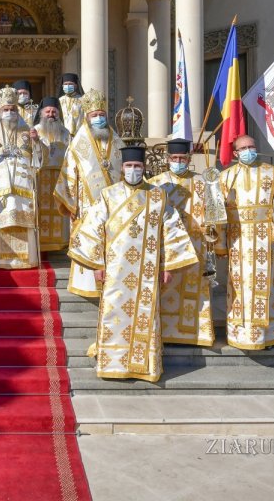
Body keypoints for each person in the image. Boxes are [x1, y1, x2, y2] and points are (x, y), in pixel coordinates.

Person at [69, 146, 198, 382]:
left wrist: (168, 265)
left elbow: (170, 232)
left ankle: (144, 365)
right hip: (115, 270)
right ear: (122, 168)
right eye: (129, 166)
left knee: (146, 316)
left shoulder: (158, 196)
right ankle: (112, 364)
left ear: (144, 168)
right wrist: (98, 265)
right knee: (113, 314)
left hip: (147, 270)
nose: (133, 170)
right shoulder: (108, 195)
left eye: (137, 166)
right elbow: (93, 230)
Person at [213, 134, 274, 350]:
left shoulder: (273, 173)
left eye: (252, 146)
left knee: (264, 285)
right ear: (235, 153)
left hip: (263, 239)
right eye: (243, 148)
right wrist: (220, 245)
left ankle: (264, 336)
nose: (249, 150)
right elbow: (218, 214)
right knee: (239, 286)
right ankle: (240, 335)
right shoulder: (225, 177)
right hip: (236, 239)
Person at [54, 89, 124, 298]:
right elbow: (68, 174)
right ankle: (85, 284)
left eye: (102, 115)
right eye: (95, 115)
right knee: (88, 238)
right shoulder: (77, 143)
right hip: (86, 204)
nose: (99, 119)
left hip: (114, 203)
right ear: (87, 117)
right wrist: (71, 204)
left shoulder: (117, 141)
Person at [152, 138, 221, 347]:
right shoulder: (156, 183)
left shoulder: (204, 181)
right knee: (167, 288)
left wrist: (213, 230)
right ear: (167, 159)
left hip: (197, 245)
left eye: (182, 158)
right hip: (168, 246)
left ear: (189, 158)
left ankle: (194, 335)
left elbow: (216, 215)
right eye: (174, 158)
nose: (178, 161)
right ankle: (165, 333)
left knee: (195, 290)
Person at [0, 87, 42, 269]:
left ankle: (25, 259)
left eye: (13, 109)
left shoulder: (28, 132)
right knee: (1, 221)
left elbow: (39, 160)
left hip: (23, 186)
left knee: (22, 219)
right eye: (6, 109)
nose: (9, 113)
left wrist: (37, 142)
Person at [33, 96, 72, 253]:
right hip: (40, 176)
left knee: (59, 208)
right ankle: (39, 243)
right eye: (48, 111)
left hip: (60, 178)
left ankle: (61, 243)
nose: (51, 114)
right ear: (42, 113)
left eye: (54, 111)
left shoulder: (65, 132)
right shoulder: (35, 130)